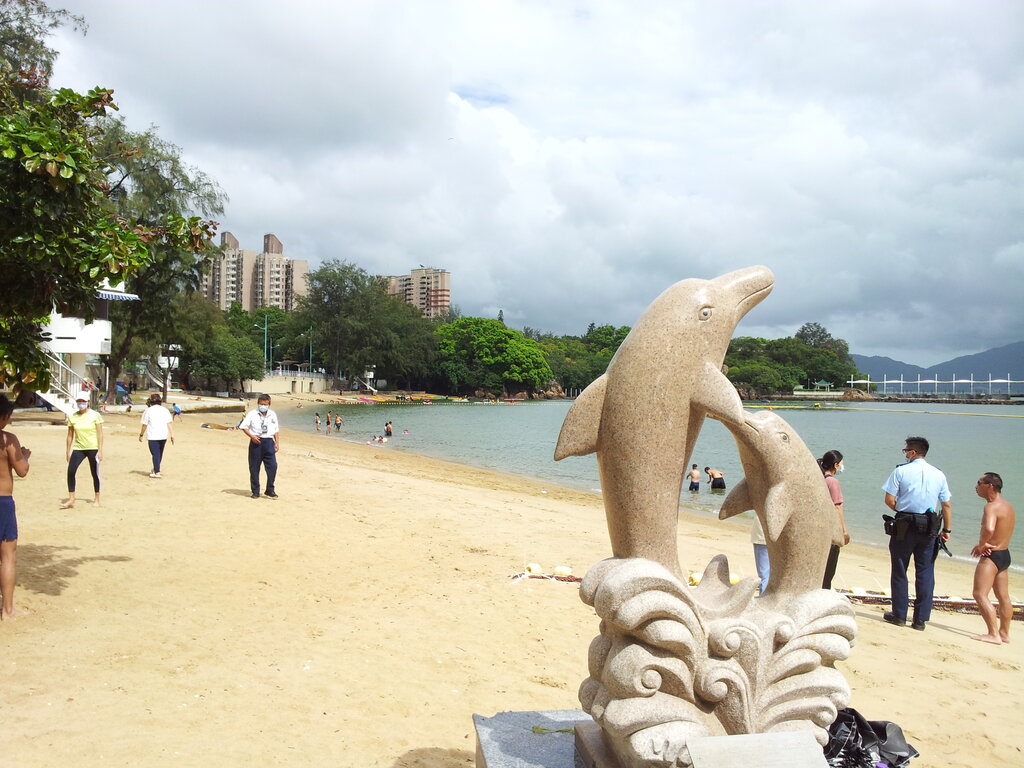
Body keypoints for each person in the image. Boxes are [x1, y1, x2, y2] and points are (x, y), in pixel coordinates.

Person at [882, 436, 951, 631]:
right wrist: (947, 530)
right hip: (929, 527)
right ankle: (920, 620)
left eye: (906, 451)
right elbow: (946, 504)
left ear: (912, 452)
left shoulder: (900, 471)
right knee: (926, 571)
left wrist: (903, 510)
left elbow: (889, 500)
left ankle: (899, 615)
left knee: (900, 568)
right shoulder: (939, 474)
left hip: (905, 524)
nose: (904, 454)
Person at [970, 472, 1015, 644]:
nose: (976, 486)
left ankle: (993, 634)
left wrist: (982, 545)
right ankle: (1004, 633)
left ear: (990, 486)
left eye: (979, 482)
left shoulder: (991, 507)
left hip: (992, 556)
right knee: (1003, 596)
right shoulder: (1008, 506)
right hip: (1004, 554)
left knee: (979, 594)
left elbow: (989, 529)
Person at [1, 395, 31, 620]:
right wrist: (25, 456)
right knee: (8, 555)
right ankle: (8, 610)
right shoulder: (7, 440)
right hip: (2, 501)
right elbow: (22, 471)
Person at [61, 396, 103, 509]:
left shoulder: (95, 415)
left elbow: (100, 433)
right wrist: (67, 451)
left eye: (83, 401)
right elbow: (70, 435)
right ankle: (71, 499)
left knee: (94, 473)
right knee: (71, 471)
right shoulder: (73, 417)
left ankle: (97, 498)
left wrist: (100, 450)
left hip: (92, 447)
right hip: (79, 448)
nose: (81, 403)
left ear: (88, 402)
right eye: (79, 401)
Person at [819, 449, 850, 590]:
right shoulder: (833, 482)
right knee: (829, 569)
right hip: (830, 531)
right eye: (841, 463)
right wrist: (844, 531)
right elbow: (837, 508)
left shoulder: (819, 479)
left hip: (818, 529)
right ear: (836, 465)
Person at [240, 394, 280, 499]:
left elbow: (276, 430)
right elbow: (244, 427)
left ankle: (270, 489)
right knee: (254, 468)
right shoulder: (252, 414)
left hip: (269, 442)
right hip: (256, 443)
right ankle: (255, 491)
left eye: (265, 404)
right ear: (258, 403)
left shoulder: (272, 414)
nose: (263, 406)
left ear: (269, 404)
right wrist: (252, 436)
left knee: (273, 467)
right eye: (261, 404)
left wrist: (277, 443)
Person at [139, 394, 174, 478]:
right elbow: (169, 423)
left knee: (155, 454)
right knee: (159, 453)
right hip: (163, 435)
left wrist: (141, 434)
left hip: (153, 436)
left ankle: (157, 472)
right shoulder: (165, 410)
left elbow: (144, 424)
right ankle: (156, 469)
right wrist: (172, 435)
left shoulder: (148, 410)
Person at [751, 515, 769, 594]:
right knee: (769, 573)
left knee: (764, 574)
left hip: (761, 538)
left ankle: (763, 597)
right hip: (775, 538)